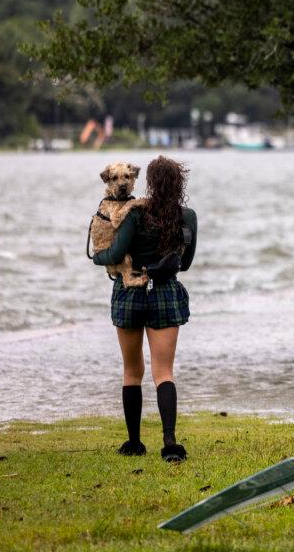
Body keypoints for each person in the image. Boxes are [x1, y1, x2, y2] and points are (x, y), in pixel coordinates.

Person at [93, 155, 198, 462]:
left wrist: (96, 258)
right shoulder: (187, 216)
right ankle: (169, 445)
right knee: (163, 371)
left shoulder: (135, 214)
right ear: (179, 183)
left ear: (149, 182)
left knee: (132, 370)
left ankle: (135, 443)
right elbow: (186, 264)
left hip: (130, 292)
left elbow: (115, 251)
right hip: (164, 292)